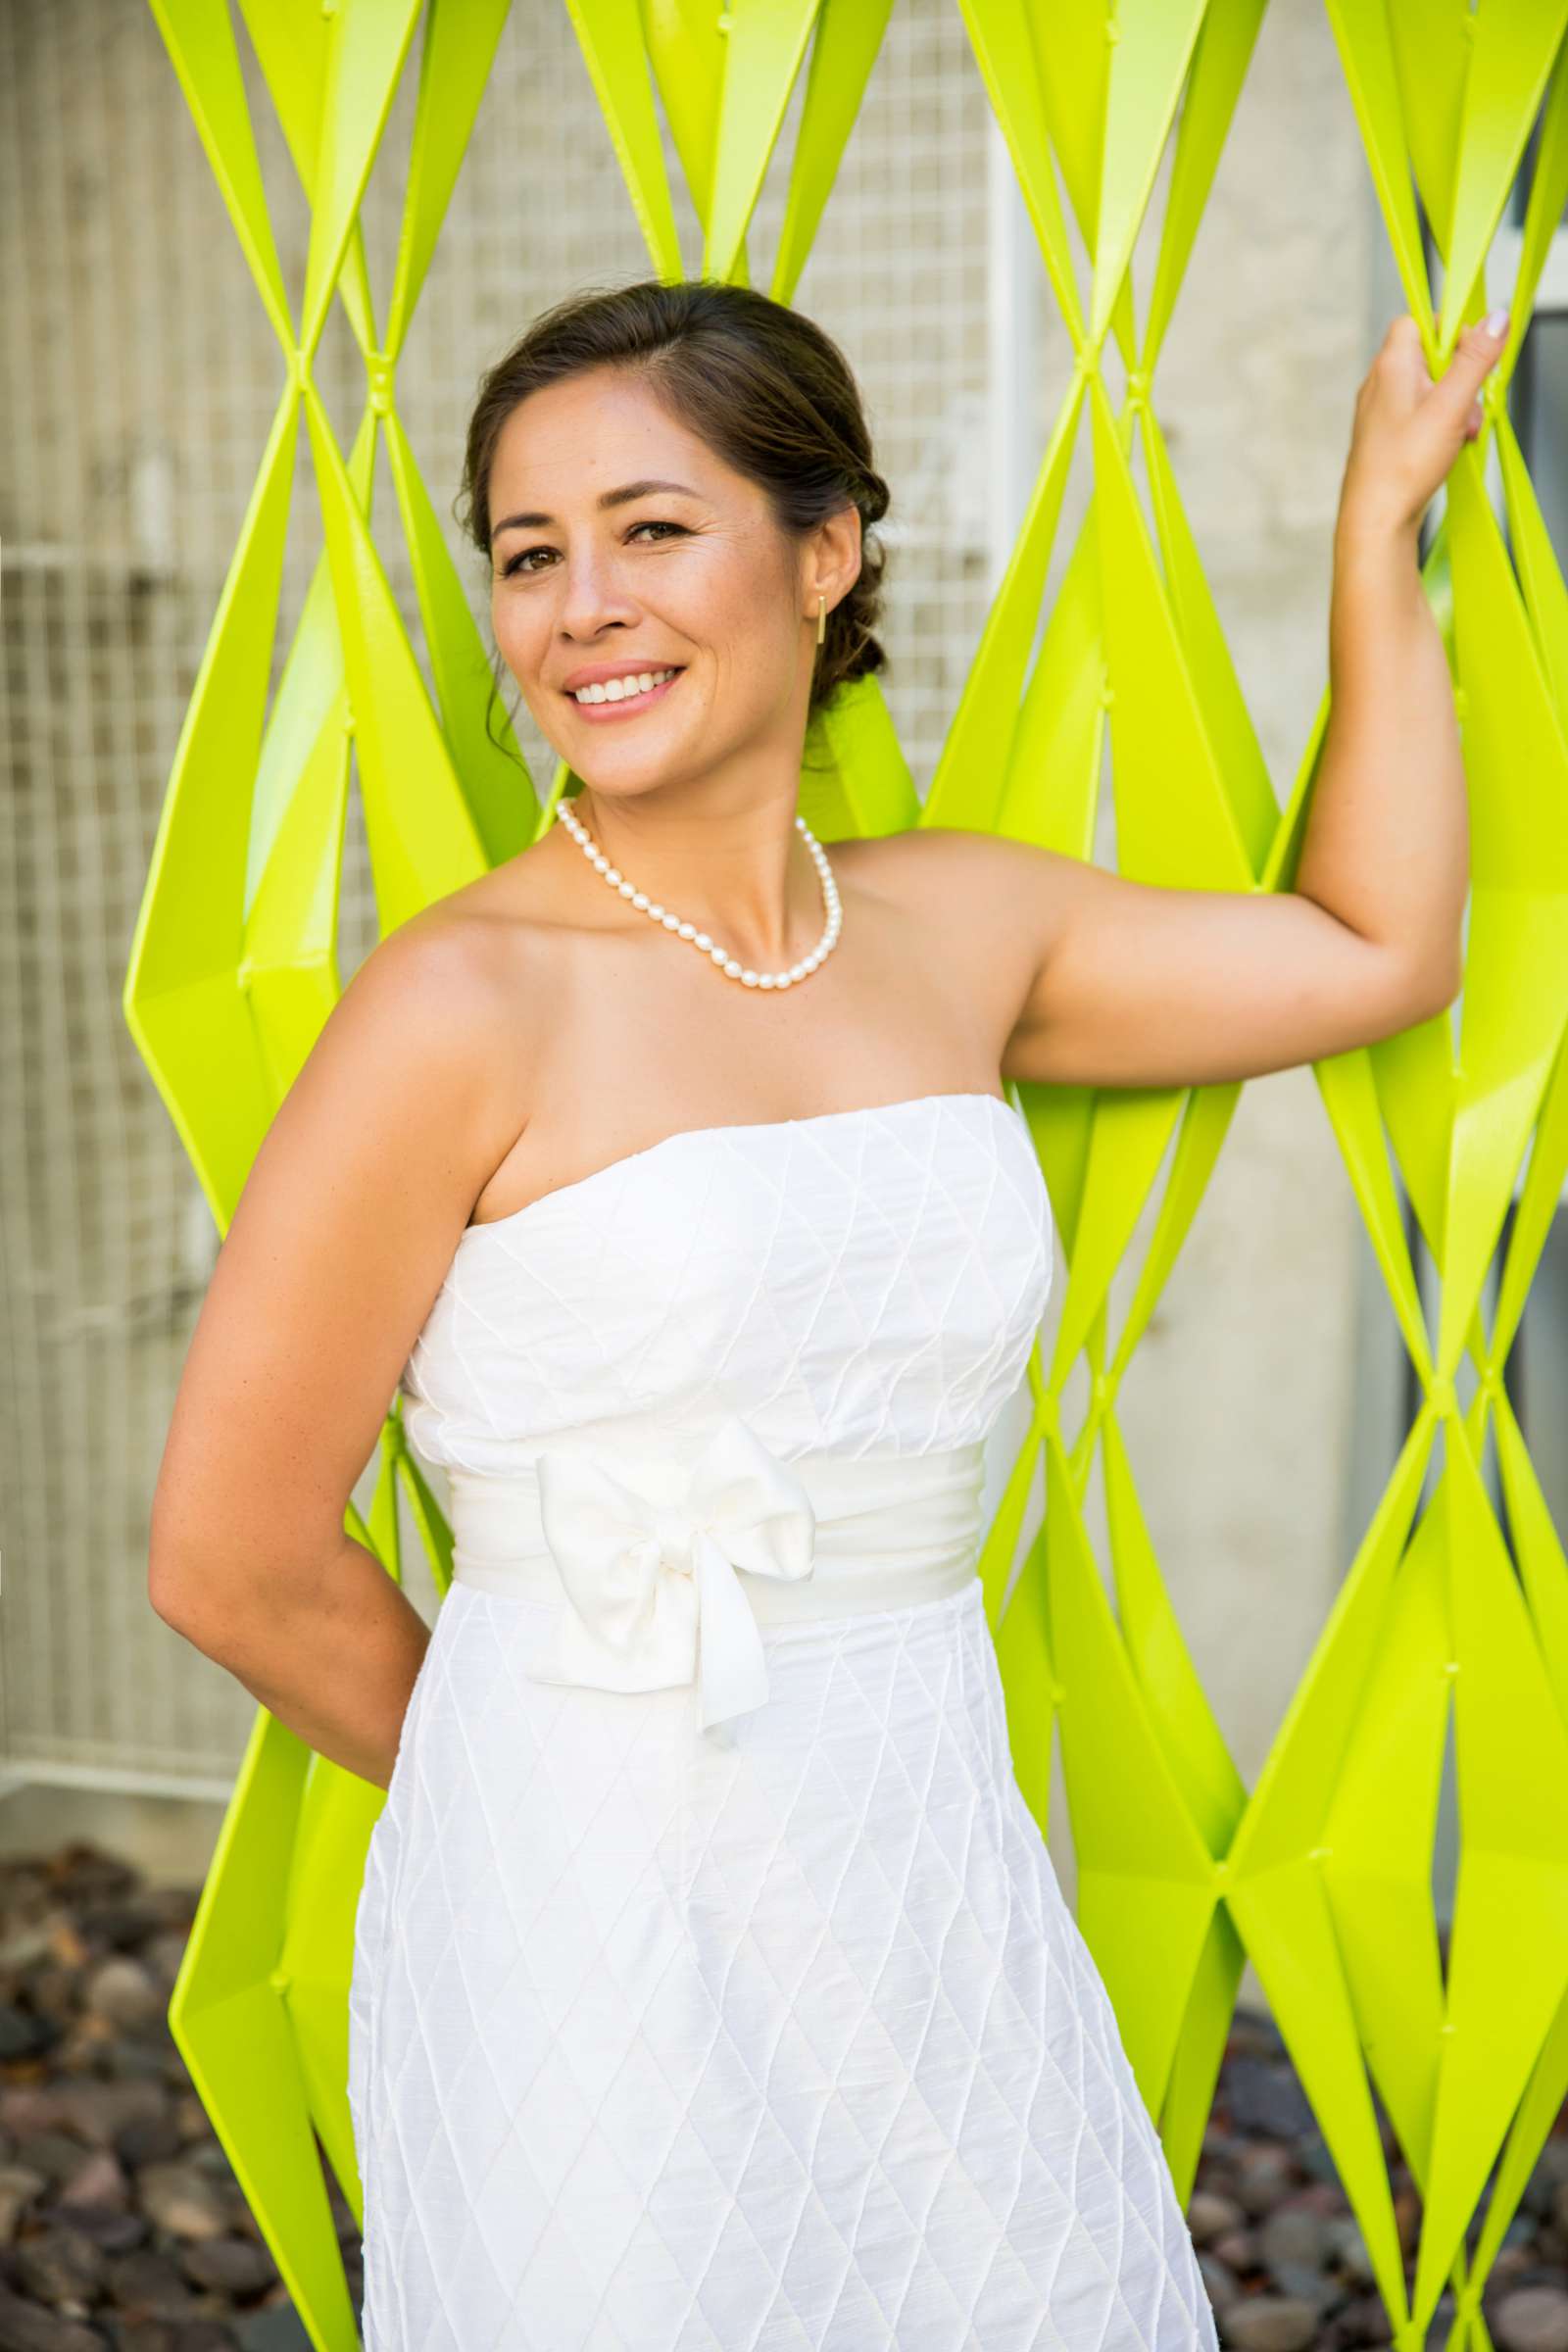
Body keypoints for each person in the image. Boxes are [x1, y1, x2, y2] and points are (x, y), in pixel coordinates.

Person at [148, 277, 1498, 2349]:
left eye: (650, 527)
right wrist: (549, 1808)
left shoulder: (962, 925)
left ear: (825, 548)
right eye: (527, 555)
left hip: (919, 1851)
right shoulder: (459, 1002)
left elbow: (1370, 949)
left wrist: (1366, 536)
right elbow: (230, 1558)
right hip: (581, 1880)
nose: (578, 604)